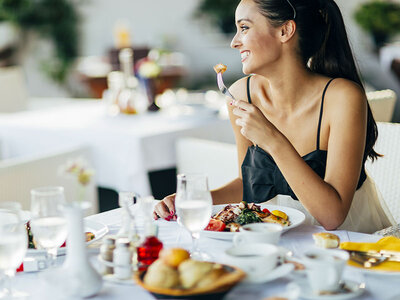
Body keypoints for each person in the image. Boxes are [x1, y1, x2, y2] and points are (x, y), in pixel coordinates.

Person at [154, 0, 396, 233]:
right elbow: (246, 184)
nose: (234, 42)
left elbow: (332, 217)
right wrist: (192, 200)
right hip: (280, 234)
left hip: (350, 241)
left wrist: (271, 139)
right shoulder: (241, 94)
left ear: (285, 30)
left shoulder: (342, 97)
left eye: (244, 28)